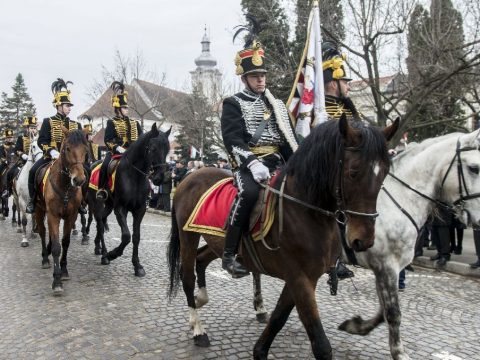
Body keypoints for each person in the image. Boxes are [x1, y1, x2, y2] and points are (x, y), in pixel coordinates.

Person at [220, 19, 298, 278]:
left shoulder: (277, 105)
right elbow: (232, 140)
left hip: (278, 161)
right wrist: (253, 163)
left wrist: (300, 163)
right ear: (245, 78)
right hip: (248, 164)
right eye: (255, 76)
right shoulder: (233, 103)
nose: (261, 80)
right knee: (249, 194)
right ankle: (229, 255)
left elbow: (287, 140)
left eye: (263, 75)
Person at [322, 41, 357, 279]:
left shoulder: (347, 109)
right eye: (346, 82)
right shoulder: (320, 108)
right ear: (334, 83)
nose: (348, 87)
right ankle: (335, 257)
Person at [26, 79, 84, 214]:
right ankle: (32, 200)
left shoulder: (76, 125)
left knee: (85, 171)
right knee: (33, 171)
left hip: (70, 159)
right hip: (51, 157)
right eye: (67, 105)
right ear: (58, 106)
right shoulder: (48, 122)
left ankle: (82, 202)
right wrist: (51, 151)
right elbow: (42, 141)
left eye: (70, 106)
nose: (70, 108)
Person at [96, 81, 143, 201]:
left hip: (132, 153)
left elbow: (141, 139)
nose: (127, 110)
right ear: (118, 109)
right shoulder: (111, 122)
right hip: (116, 153)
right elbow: (108, 140)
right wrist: (117, 148)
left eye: (127, 107)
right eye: (124, 108)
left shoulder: (135, 123)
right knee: (105, 165)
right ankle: (102, 189)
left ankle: (145, 190)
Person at [4, 117, 38, 198]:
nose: (33, 130)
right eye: (31, 128)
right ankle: (8, 191)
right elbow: (17, 150)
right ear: (27, 128)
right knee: (10, 172)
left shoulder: (38, 138)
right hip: (23, 161)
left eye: (34, 128)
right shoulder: (21, 138)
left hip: (36, 160)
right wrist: (23, 155)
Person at [0, 128, 15, 197]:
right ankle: (3, 189)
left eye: (11, 137)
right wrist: (5, 160)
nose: (9, 139)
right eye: (8, 138)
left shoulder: (15, 146)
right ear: (5, 138)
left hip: (14, 164)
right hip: (5, 164)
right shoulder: (2, 147)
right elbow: (1, 155)